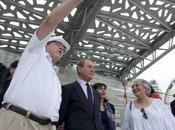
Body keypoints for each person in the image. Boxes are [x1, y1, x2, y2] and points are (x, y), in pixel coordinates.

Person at [0, 0, 83, 130]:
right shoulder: (35, 53)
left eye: (64, 49)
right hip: (19, 120)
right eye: (57, 44)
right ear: (45, 44)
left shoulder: (54, 77)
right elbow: (49, 22)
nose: (61, 48)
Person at [57, 58, 104, 130]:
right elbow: (61, 114)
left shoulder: (96, 94)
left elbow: (97, 117)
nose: (93, 70)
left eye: (94, 68)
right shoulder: (67, 89)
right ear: (79, 69)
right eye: (89, 67)